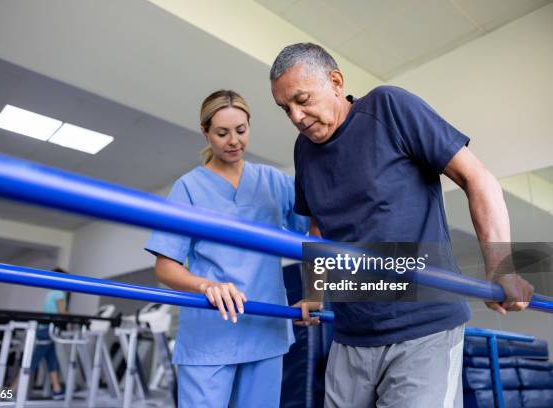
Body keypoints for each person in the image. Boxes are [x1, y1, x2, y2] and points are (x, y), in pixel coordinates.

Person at [269, 43, 535, 407]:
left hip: (423, 327)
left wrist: (503, 268)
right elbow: (318, 228)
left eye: (302, 100)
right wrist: (315, 295)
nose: (296, 116)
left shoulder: (388, 108)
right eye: (286, 109)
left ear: (335, 81)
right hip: (351, 333)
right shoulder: (304, 151)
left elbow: (478, 179)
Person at [145, 90, 309, 407]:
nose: (233, 141)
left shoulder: (274, 181)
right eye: (222, 133)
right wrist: (207, 285)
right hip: (210, 334)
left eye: (241, 130)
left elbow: (316, 231)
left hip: (265, 328)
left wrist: (316, 296)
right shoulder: (188, 188)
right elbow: (165, 266)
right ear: (206, 132)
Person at [13, 267, 68, 400]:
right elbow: (61, 312)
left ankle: (56, 389)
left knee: (51, 359)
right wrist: (72, 317)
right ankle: (12, 389)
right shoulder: (60, 293)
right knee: (33, 361)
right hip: (48, 330)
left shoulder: (50, 293)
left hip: (44, 329)